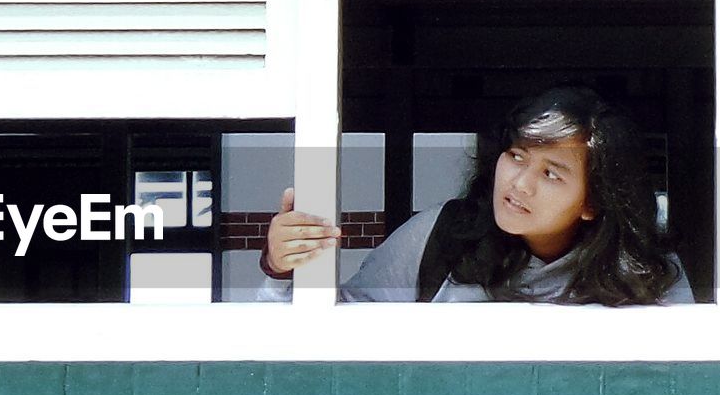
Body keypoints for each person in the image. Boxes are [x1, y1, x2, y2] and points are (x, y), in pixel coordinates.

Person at [258, 85, 694, 305]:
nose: (520, 183)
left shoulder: (642, 267)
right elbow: (337, 333)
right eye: (517, 156)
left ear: (593, 202)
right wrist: (282, 268)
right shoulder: (441, 235)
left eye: (552, 174)